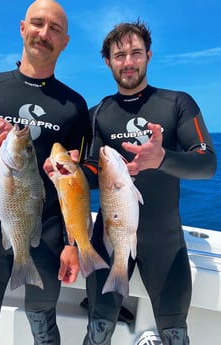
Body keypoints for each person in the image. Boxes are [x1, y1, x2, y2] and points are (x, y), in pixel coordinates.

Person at [0, 1, 91, 344]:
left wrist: (73, 243)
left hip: (47, 233)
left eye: (54, 28)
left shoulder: (75, 105)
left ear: (65, 41)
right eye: (38, 23)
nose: (44, 33)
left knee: (43, 325)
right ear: (22, 28)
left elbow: (83, 180)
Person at [81, 20, 217, 345]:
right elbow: (88, 175)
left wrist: (162, 159)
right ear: (108, 62)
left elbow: (207, 162)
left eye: (135, 53)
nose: (128, 62)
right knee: (97, 329)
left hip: (164, 241)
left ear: (149, 56)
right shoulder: (97, 114)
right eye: (119, 55)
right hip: (109, 236)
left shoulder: (177, 104)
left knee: (175, 333)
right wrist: (67, 173)